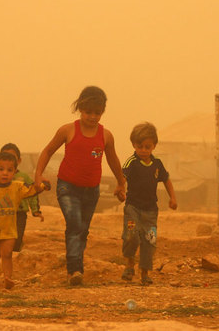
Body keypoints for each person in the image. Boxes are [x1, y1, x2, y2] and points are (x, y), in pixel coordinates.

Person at [34, 86, 126, 286]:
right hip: (67, 187)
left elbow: (113, 160)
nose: (92, 117)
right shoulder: (67, 130)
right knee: (75, 225)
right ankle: (75, 270)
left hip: (92, 190)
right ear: (80, 109)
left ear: (102, 112)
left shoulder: (106, 136)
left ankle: (75, 267)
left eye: (97, 113)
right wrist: (38, 175)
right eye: (88, 112)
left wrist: (121, 182)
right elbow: (48, 151)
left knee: (82, 230)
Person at [0, 152, 47, 289]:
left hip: (9, 230)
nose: (5, 173)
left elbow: (31, 190)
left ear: (15, 172)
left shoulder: (17, 187)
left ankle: (8, 279)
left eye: (9, 170)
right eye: (1, 169)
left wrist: (43, 186)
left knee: (7, 254)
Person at [115, 122, 177, 286]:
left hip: (150, 211)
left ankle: (145, 273)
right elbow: (123, 177)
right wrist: (120, 188)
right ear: (134, 145)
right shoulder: (131, 162)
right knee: (131, 235)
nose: (143, 150)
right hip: (132, 208)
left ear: (154, 146)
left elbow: (166, 180)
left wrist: (173, 198)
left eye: (147, 146)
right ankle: (129, 265)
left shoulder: (157, 164)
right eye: (139, 146)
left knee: (149, 241)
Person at [0, 143, 44, 252]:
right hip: (2, 213)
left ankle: (14, 257)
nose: (8, 160)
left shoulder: (24, 177)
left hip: (20, 213)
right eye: (5, 157)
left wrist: (36, 210)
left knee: (17, 238)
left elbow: (33, 193)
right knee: (3, 238)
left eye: (12, 157)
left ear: (19, 161)